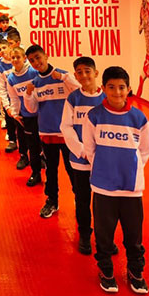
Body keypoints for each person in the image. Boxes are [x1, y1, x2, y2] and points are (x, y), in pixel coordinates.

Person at [83, 66, 149, 294]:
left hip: (132, 189)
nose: (117, 92)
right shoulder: (94, 116)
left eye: (121, 87)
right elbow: (90, 149)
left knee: (134, 237)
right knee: (103, 236)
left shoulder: (139, 118)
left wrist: (132, 170)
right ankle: (106, 271)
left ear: (129, 88)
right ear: (103, 88)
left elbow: (144, 150)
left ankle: (135, 272)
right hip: (103, 188)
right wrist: (104, 168)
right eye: (111, 87)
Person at [24, 44, 80, 218]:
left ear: (46, 56)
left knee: (73, 169)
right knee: (51, 170)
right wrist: (28, 94)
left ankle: (80, 200)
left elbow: (80, 92)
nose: (36, 62)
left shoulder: (63, 76)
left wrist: (64, 78)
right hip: (47, 134)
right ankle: (52, 201)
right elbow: (32, 109)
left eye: (38, 57)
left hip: (67, 134)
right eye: (32, 60)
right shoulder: (35, 83)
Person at [60, 57, 105, 254]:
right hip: (80, 162)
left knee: (104, 203)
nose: (84, 75)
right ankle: (85, 235)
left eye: (88, 71)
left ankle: (104, 239)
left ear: (96, 73)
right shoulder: (73, 99)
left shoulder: (107, 98)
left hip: (103, 162)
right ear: (75, 76)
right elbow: (66, 127)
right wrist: (81, 150)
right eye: (79, 72)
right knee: (82, 200)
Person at [6, 47, 42, 186]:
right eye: (13, 57)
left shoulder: (34, 72)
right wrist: (15, 114)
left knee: (43, 143)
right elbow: (14, 98)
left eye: (18, 57)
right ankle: (36, 173)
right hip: (27, 115)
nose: (15, 60)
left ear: (24, 58)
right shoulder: (11, 78)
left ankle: (43, 160)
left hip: (42, 114)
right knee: (32, 146)